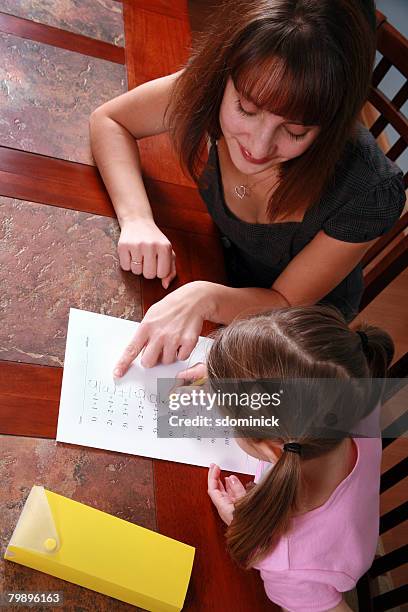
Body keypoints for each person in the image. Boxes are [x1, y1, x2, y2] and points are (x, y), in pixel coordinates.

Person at [89, 0, 405, 374]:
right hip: (215, 261)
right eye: (246, 109)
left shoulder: (367, 192)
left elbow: (285, 300)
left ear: (331, 124)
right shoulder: (214, 85)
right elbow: (110, 121)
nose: (257, 147)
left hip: (291, 330)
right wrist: (138, 218)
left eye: (295, 131)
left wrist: (205, 296)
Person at [176, 305, 394, 612]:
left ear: (271, 448)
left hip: (327, 561)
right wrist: (224, 378)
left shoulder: (289, 565)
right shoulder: (350, 391)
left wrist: (254, 529)